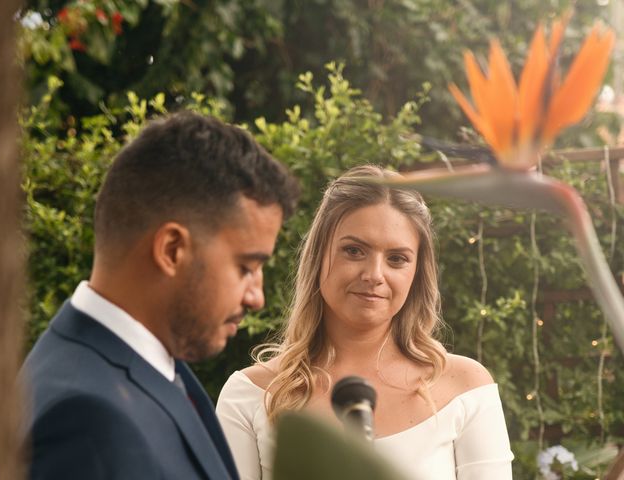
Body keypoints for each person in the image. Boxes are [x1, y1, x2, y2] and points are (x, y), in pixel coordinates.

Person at [22, 112, 299, 480]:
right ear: (171, 250)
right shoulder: (84, 421)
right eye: (246, 267)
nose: (256, 298)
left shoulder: (151, 364)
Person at [216, 165, 514, 480]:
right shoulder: (250, 395)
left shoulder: (464, 387)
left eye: (397, 258)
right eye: (354, 251)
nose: (374, 275)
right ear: (319, 256)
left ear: (416, 273)